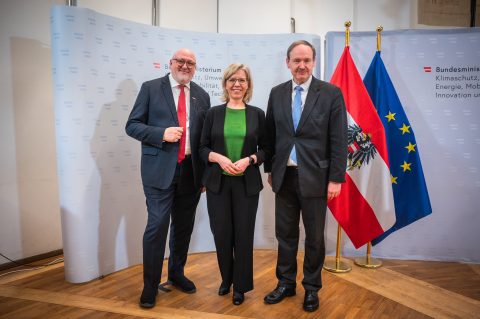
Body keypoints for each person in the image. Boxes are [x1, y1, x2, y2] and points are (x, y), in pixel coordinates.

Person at [263, 40, 347, 312]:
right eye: (296, 60)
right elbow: (270, 135)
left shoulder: (331, 94)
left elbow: (338, 139)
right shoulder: (276, 93)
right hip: (284, 177)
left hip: (317, 178)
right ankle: (286, 284)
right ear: (287, 63)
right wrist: (269, 170)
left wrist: (336, 178)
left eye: (306, 60)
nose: (301, 65)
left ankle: (312, 288)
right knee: (285, 234)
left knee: (314, 237)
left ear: (314, 63)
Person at [125, 48, 211, 308]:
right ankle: (150, 286)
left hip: (191, 173)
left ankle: (176, 273)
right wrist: (161, 133)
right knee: (157, 226)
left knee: (183, 227)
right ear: (171, 63)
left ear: (195, 68)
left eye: (191, 63)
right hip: (159, 171)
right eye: (181, 61)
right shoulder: (150, 88)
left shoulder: (202, 95)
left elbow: (204, 140)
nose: (185, 66)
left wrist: (205, 174)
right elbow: (132, 125)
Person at [199, 63, 267, 306]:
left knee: (243, 235)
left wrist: (250, 160)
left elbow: (267, 150)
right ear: (225, 83)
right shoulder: (213, 113)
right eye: (232, 80)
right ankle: (226, 279)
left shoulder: (257, 114)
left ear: (248, 85)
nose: (237, 84)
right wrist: (218, 157)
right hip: (217, 184)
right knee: (222, 234)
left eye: (242, 80)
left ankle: (241, 286)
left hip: (246, 186)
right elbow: (202, 148)